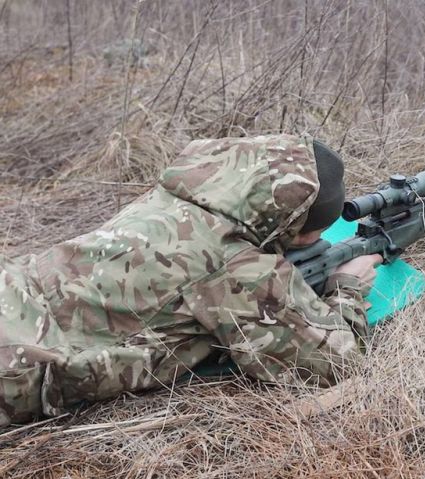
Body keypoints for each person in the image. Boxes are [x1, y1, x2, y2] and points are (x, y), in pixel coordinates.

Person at [0, 134, 383, 426]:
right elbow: (333, 364)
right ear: (293, 225)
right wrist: (346, 288)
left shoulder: (177, 197)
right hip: (16, 361)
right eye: (313, 233)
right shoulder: (233, 264)